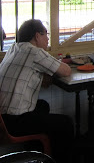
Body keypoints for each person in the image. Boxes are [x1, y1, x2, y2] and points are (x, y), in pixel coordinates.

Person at [0, 19, 74, 163]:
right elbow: (66, 71)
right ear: (36, 36)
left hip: (3, 118)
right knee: (65, 123)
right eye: (46, 34)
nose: (47, 39)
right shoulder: (35, 52)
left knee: (42, 106)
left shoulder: (14, 48)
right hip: (13, 122)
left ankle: (37, 153)